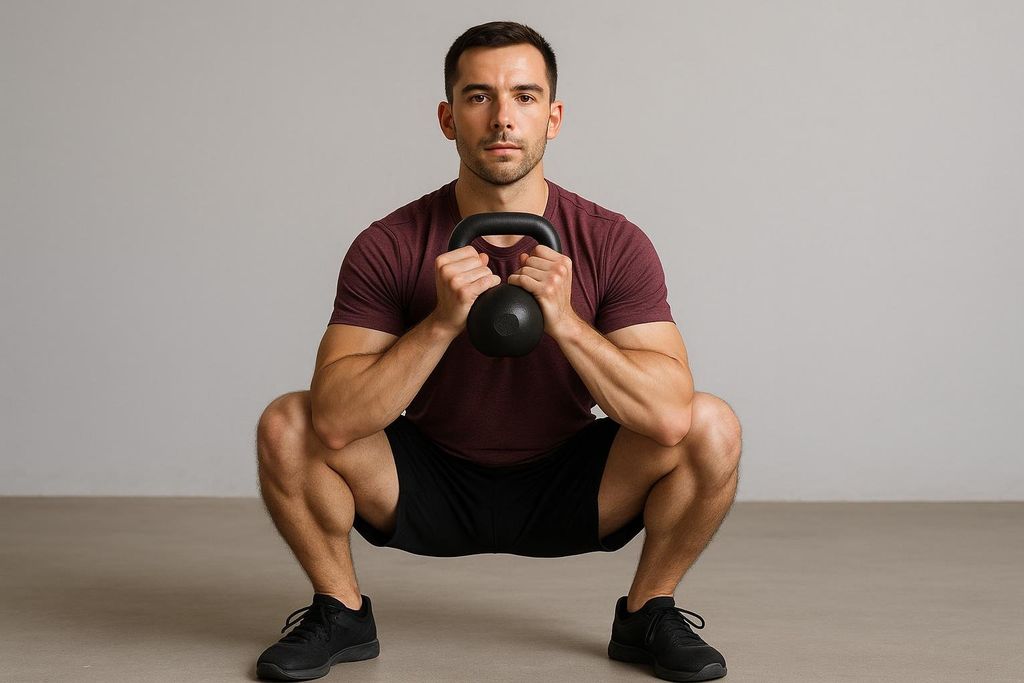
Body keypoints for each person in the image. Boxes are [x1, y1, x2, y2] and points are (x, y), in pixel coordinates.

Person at [254, 20, 742, 683]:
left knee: (713, 425)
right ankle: (340, 611)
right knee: (287, 422)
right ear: (448, 117)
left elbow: (670, 417)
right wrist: (441, 322)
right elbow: (334, 418)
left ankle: (648, 611)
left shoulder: (612, 242)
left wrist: (566, 323)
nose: (503, 117)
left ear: (555, 116)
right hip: (427, 481)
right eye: (479, 96)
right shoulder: (391, 243)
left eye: (525, 96)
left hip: (568, 482)